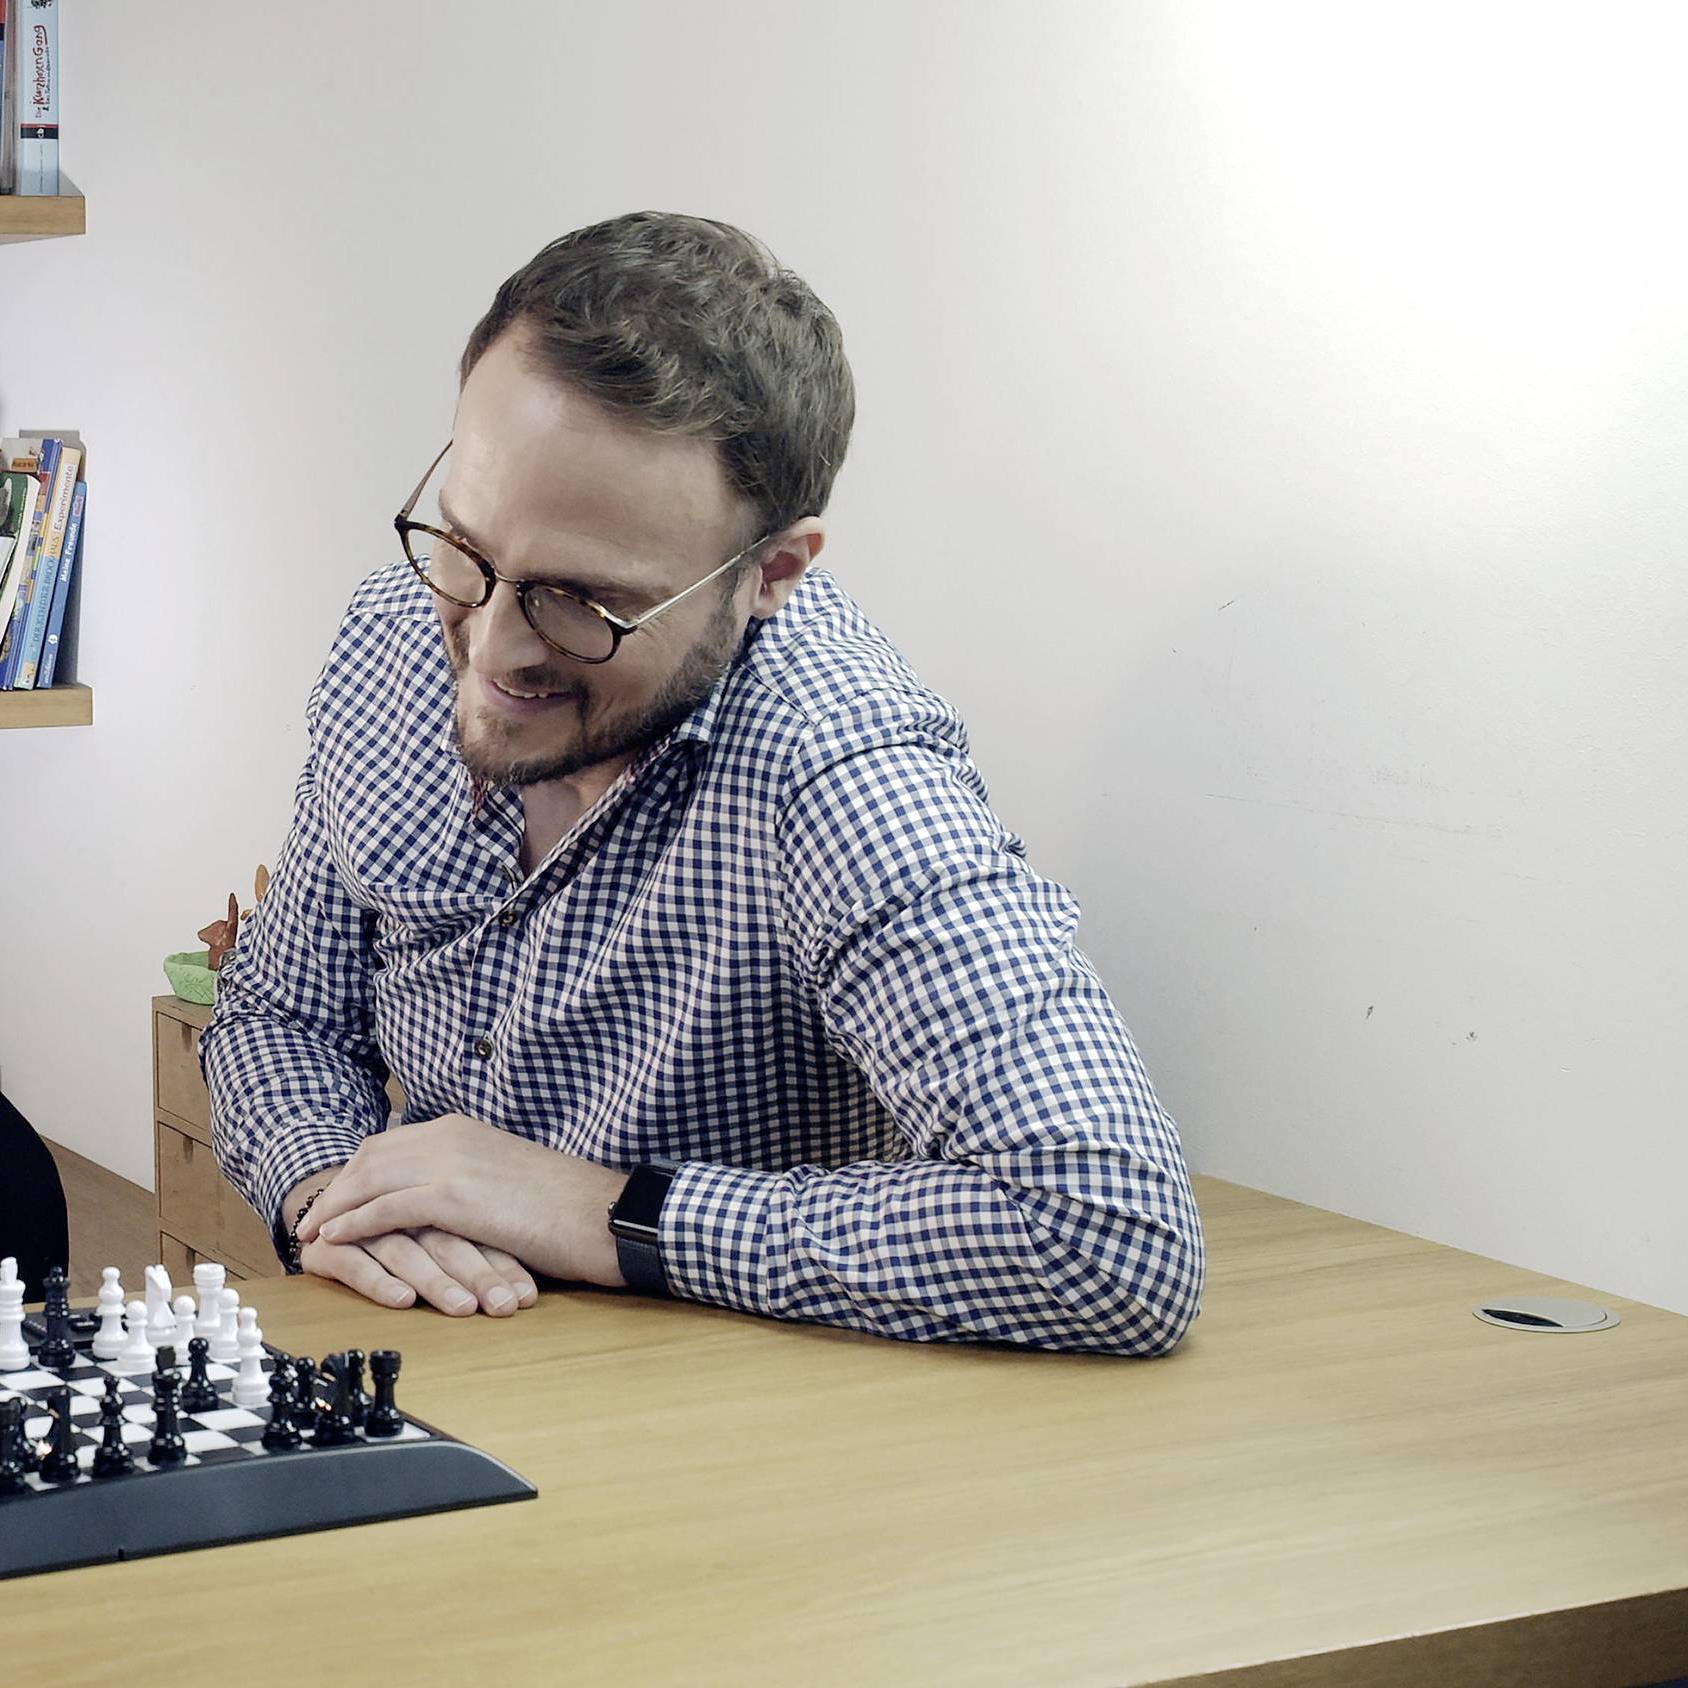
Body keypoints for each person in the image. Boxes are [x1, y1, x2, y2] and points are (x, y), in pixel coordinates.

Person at [205, 213, 1203, 1355]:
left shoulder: (836, 766)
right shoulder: (389, 637)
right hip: (446, 1383)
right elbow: (279, 1014)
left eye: (582, 598)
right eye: (468, 549)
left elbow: (1108, 1228)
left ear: (770, 573)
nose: (489, 647)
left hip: (737, 1438)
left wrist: (596, 1207)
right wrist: (337, 1195)